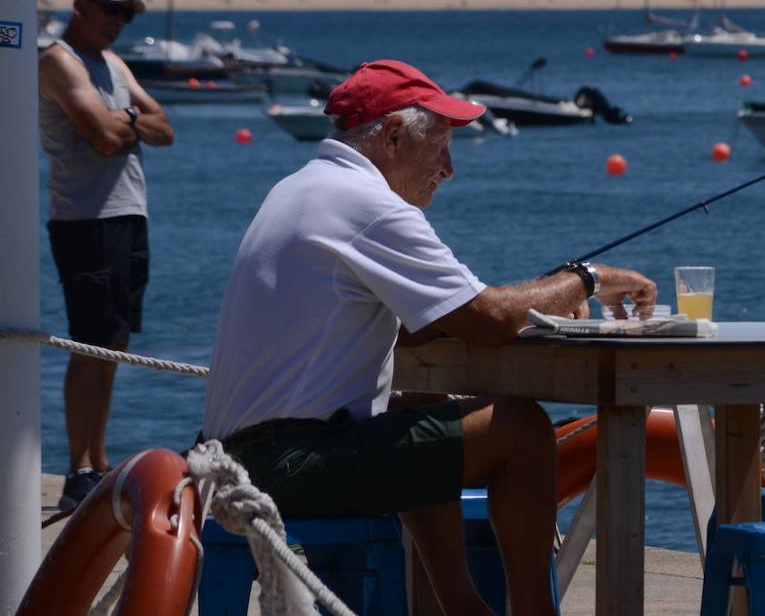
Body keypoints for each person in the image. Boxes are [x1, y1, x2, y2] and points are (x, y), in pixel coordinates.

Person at [201, 59, 656, 616]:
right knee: (521, 428)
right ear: (392, 136)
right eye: (440, 144)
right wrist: (587, 278)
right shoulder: (369, 204)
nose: (448, 167)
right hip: (288, 464)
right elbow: (486, 321)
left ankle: (458, 605)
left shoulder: (301, 187)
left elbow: (415, 325)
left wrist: (541, 299)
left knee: (420, 403)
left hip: (231, 458)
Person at [39, 0, 175, 511]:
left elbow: (164, 129)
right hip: (85, 220)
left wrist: (126, 119)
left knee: (114, 344)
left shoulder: (114, 64)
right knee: (87, 345)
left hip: (128, 217)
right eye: (110, 9)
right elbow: (104, 139)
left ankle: (98, 461)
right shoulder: (58, 60)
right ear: (80, 6)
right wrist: (125, 122)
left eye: (127, 13)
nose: (119, 21)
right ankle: (78, 468)